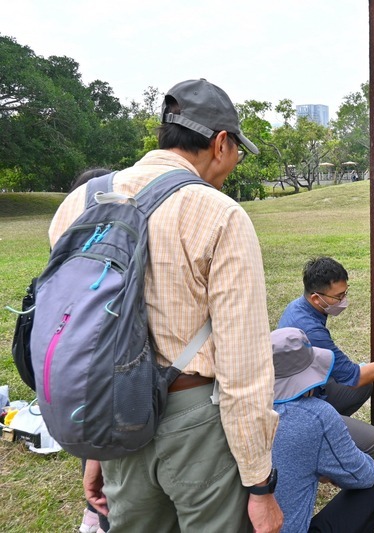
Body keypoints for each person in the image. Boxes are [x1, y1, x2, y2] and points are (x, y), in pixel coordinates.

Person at [49, 79, 282, 532]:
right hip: (193, 418)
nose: (234, 163)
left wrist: (96, 447)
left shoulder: (79, 202)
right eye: (237, 151)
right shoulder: (220, 214)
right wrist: (260, 486)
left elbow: (76, 330)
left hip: (115, 412)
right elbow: (245, 367)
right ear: (220, 143)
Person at [277, 256, 374, 455]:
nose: (343, 300)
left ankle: (328, 428)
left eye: (345, 293)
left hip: (309, 390)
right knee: (372, 440)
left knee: (365, 386)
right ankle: (314, 439)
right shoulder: (310, 330)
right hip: (296, 408)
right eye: (338, 297)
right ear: (316, 298)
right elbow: (356, 377)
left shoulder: (300, 307)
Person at [270, 327, 374, 532]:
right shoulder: (317, 416)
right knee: (371, 494)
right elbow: (364, 476)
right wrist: (325, 465)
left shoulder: (237, 407)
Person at [70, 169, 114, 533]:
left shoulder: (63, 256)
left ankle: (93, 515)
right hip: (102, 395)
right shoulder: (110, 263)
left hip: (71, 394)